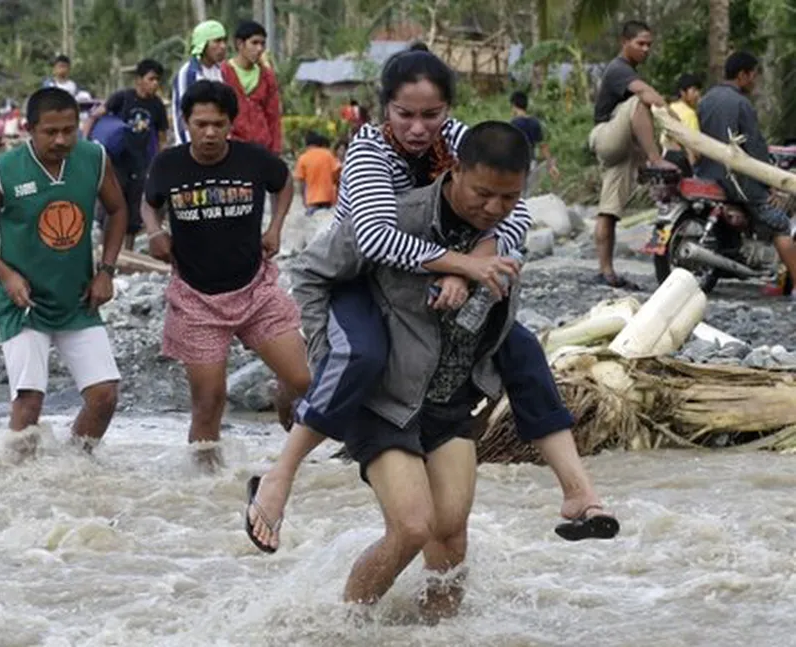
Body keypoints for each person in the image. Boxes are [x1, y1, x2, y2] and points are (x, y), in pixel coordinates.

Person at [246, 48, 618, 554]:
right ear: (384, 111)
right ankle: (279, 477)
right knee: (363, 355)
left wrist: (481, 253)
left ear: (447, 110)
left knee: (522, 349)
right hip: (358, 276)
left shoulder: (459, 140)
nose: (419, 129)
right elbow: (375, 238)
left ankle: (578, 492)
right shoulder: (367, 151)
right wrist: (461, 265)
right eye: (406, 114)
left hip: (428, 278)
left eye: (431, 115)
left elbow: (512, 207)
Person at [291, 121, 533, 612]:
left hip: (445, 398)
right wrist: (322, 351)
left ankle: (439, 636)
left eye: (508, 199)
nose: (494, 208)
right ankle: (345, 631)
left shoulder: (500, 232)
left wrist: (477, 257)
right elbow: (310, 272)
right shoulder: (386, 219)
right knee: (412, 527)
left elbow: (505, 320)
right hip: (383, 395)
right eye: (484, 193)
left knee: (451, 535)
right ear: (455, 170)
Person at [140, 80, 310, 469]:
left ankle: (280, 392)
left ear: (231, 123)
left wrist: (275, 227)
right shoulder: (168, 164)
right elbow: (149, 204)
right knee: (209, 401)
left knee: (303, 381)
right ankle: (205, 484)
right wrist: (154, 232)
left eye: (218, 124)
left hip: (255, 290)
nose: (210, 133)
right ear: (185, 123)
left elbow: (283, 184)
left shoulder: (253, 159)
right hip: (196, 298)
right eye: (201, 124)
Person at [0, 88, 130, 456]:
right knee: (29, 404)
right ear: (29, 128)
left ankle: (73, 466)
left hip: (78, 297)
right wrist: (5, 274)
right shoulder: (2, 170)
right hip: (25, 304)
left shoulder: (94, 158)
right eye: (51, 132)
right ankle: (18, 488)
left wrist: (107, 271)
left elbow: (117, 210)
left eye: (70, 130)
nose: (62, 139)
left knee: (104, 397)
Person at [697, 51, 796, 300]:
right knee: (781, 225)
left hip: (708, 175)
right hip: (737, 182)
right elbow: (755, 150)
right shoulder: (741, 104)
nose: (755, 81)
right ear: (742, 75)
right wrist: (771, 183)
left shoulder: (706, 99)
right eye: (754, 75)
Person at [589, 20, 678, 289]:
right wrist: (675, 121)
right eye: (640, 43)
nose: (646, 49)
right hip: (605, 135)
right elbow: (646, 94)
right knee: (640, 102)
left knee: (609, 212)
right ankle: (654, 159)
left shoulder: (628, 70)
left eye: (649, 44)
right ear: (624, 43)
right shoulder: (619, 69)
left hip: (622, 149)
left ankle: (606, 271)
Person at [86, 59, 170, 251]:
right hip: (117, 160)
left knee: (134, 207)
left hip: (140, 161)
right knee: (112, 202)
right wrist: (87, 141)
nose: (155, 84)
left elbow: (162, 135)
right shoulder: (122, 98)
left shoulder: (157, 106)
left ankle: (128, 252)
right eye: (151, 79)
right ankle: (104, 249)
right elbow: (95, 116)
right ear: (139, 80)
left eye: (158, 80)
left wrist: (160, 160)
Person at [220, 20, 282, 154]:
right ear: (240, 44)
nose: (259, 49)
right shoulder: (223, 72)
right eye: (254, 43)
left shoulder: (267, 76)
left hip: (261, 147)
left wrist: (275, 149)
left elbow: (273, 115)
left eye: (262, 44)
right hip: (231, 147)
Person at [172, 20, 228, 146]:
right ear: (203, 44)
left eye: (224, 41)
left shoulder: (220, 72)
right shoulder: (189, 74)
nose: (223, 46)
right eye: (217, 41)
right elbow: (183, 115)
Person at [509, 90, 559, 197]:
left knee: (517, 195)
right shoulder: (534, 122)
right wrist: (551, 165)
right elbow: (543, 145)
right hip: (531, 163)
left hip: (517, 164)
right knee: (527, 195)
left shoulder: (514, 124)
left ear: (513, 105)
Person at [661, 73, 703, 175]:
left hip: (666, 160)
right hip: (684, 165)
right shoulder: (689, 114)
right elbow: (694, 146)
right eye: (694, 90)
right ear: (682, 92)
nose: (697, 94)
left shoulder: (670, 108)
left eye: (698, 91)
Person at [293, 131, 341, 215]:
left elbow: (301, 183)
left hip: (311, 200)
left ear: (307, 144)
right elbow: (337, 176)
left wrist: (304, 200)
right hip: (328, 198)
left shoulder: (303, 158)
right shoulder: (328, 155)